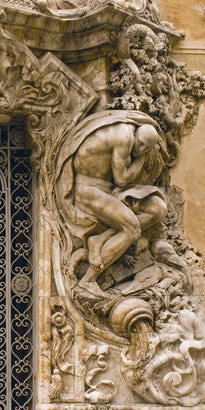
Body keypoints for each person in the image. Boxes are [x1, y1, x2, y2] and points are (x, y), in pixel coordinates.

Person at [71, 121, 167, 295]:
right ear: (136, 133)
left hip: (110, 190)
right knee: (132, 229)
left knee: (158, 209)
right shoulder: (124, 136)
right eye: (141, 144)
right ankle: (88, 280)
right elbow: (122, 179)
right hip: (90, 189)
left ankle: (99, 240)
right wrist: (141, 158)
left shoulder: (131, 135)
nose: (141, 148)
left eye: (146, 148)